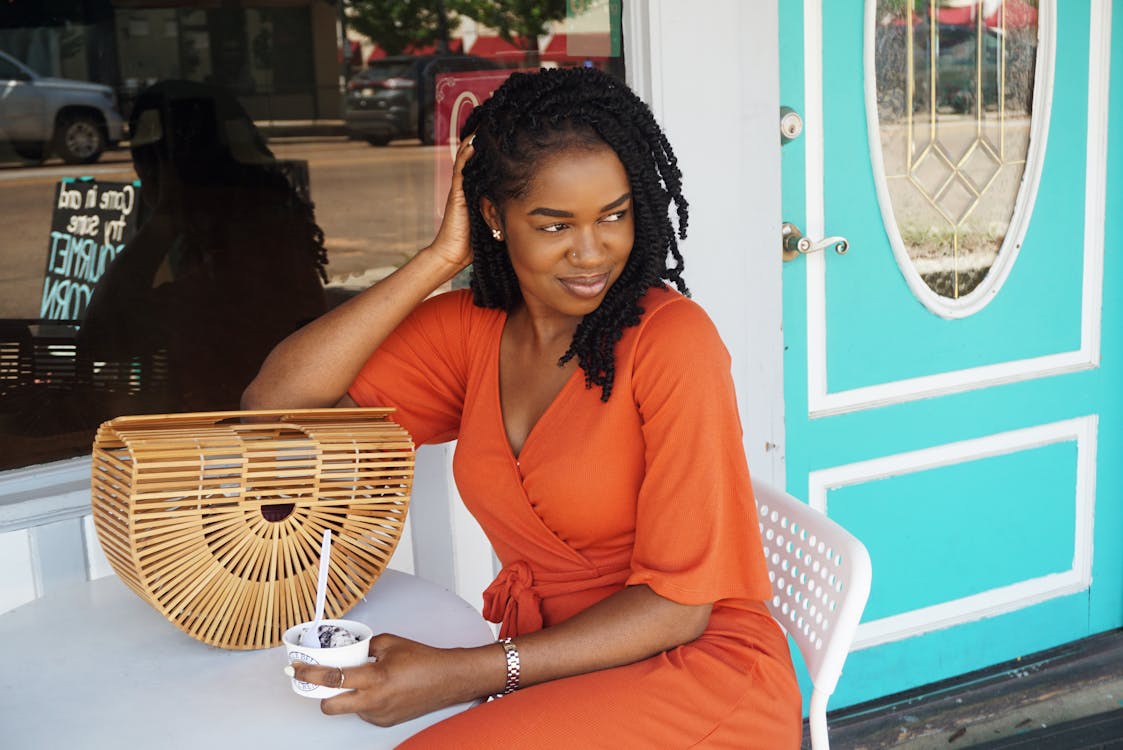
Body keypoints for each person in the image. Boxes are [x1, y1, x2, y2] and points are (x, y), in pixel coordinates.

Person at [243, 67, 801, 748]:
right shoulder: (475, 331)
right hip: (558, 668)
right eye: (554, 224)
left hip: (694, 675)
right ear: (493, 218)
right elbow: (276, 404)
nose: (591, 252)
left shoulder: (672, 344)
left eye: (614, 215)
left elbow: (680, 611)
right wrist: (438, 258)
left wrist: (466, 673)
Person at [79, 80, 327, 413]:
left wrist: (165, 217)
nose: (140, 175)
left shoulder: (234, 273)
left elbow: (103, 340)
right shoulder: (264, 245)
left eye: (147, 163)